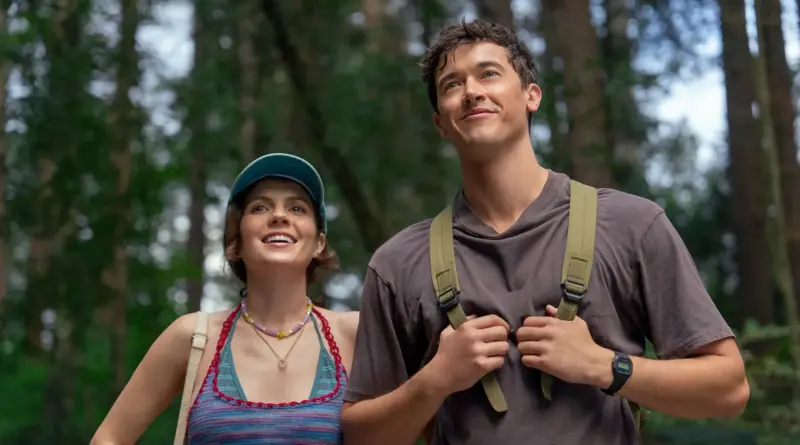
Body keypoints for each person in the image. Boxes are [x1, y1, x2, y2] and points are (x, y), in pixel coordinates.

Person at [340, 19, 749, 445]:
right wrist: (435, 380)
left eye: (489, 73)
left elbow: (729, 390)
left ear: (531, 95)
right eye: (451, 85)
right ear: (441, 123)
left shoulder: (632, 225)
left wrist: (605, 366)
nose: (472, 91)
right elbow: (361, 437)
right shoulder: (397, 263)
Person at [91, 153, 359, 444]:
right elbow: (109, 437)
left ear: (319, 244)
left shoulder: (355, 334)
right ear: (236, 243)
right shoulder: (194, 337)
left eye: (297, 208)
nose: (280, 216)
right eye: (260, 207)